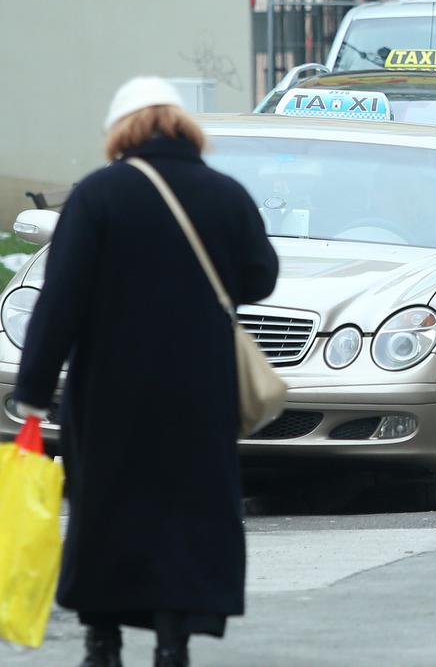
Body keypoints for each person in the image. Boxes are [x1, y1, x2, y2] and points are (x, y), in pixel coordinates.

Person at [14, 78, 279, 667]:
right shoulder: (225, 194)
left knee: (105, 511)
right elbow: (261, 277)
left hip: (110, 391)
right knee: (186, 514)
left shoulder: (98, 195)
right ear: (184, 125)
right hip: (201, 390)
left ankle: (102, 642)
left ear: (121, 130)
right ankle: (172, 642)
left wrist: (33, 387)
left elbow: (62, 298)